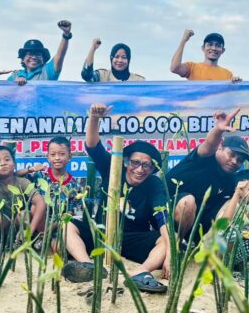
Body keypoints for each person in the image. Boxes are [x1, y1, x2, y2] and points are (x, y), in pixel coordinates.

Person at [61, 103, 170, 293]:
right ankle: (88, 266)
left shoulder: (154, 184)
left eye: (147, 166)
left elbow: (163, 219)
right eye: (136, 163)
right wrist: (94, 119)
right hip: (100, 234)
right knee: (66, 224)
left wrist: (171, 252)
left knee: (169, 238)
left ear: (152, 169)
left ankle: (139, 274)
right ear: (127, 161)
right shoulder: (113, 168)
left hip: (131, 239)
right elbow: (93, 146)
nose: (140, 169)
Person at [168, 110, 249, 242]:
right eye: (231, 154)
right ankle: (177, 245)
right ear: (220, 149)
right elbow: (209, 144)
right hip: (171, 220)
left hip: (202, 229)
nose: (235, 161)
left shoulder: (231, 178)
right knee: (188, 202)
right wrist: (218, 130)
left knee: (232, 204)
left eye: (240, 160)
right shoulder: (203, 159)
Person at [0, 145, 47, 243]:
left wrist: (30, 230)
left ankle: (24, 242)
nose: (3, 164)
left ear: (14, 164)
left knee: (23, 214)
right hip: (4, 227)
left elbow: (40, 202)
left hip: (23, 226)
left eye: (7, 160)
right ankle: (2, 245)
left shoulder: (23, 181)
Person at [27, 137, 82, 213]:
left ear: (69, 157)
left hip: (62, 222)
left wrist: (57, 223)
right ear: (48, 157)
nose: (57, 158)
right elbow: (16, 176)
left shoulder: (74, 184)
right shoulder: (40, 176)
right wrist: (29, 169)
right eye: (53, 154)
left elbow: (73, 210)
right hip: (39, 220)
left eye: (62, 154)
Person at [170, 29, 241, 81]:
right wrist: (183, 40)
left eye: (218, 45)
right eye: (210, 44)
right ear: (203, 48)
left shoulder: (228, 74)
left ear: (223, 50)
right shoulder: (192, 67)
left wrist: (235, 83)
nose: (213, 48)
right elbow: (174, 68)